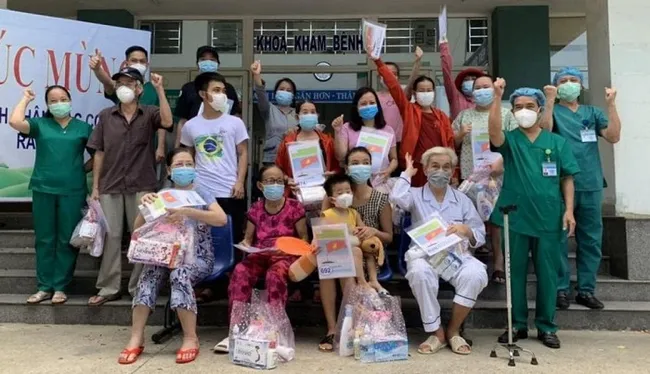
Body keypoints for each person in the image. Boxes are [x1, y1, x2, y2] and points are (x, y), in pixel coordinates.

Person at [488, 80, 580, 349]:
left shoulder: (557, 142)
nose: (524, 110)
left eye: (530, 106)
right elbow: (493, 132)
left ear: (540, 110)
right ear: (512, 112)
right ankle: (516, 325)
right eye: (518, 107)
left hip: (550, 217)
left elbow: (567, 178)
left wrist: (570, 211)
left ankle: (546, 326)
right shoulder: (511, 141)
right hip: (515, 217)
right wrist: (497, 97)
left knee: (548, 273)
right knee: (514, 272)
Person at [118, 148, 227, 365]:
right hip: (165, 254)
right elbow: (137, 228)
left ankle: (190, 338)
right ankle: (136, 337)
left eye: (189, 164)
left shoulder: (201, 193)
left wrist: (188, 211)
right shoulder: (163, 195)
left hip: (197, 257)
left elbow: (221, 219)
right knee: (148, 275)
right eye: (179, 165)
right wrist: (145, 207)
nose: (184, 169)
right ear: (169, 170)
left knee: (180, 274)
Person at [87, 67, 173, 305]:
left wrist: (160, 89)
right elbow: (99, 152)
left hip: (142, 184)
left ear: (139, 88)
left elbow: (167, 121)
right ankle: (108, 287)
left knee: (140, 236)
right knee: (112, 236)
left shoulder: (150, 113)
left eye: (129, 82)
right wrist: (95, 187)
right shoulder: (106, 116)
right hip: (110, 185)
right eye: (120, 83)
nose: (124, 87)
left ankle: (138, 287)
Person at [390, 147, 488, 355]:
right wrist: (407, 173)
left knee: (476, 273)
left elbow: (479, 233)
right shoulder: (415, 195)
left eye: (446, 167)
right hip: (424, 256)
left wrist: (466, 230)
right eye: (435, 166)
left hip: (456, 255)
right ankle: (437, 332)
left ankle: (453, 330)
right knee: (419, 273)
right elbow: (397, 197)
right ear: (425, 169)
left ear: (453, 171)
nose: (440, 171)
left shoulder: (462, 199)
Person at [542, 67, 621, 311]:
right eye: (562, 80)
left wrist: (611, 104)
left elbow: (613, 136)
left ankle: (586, 290)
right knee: (558, 238)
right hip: (558, 183)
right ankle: (560, 289)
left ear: (581, 85)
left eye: (573, 80)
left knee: (591, 239)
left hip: (590, 183)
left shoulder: (592, 112)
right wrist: (549, 100)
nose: (568, 84)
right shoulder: (552, 111)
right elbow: (544, 131)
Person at [9, 86, 94, 305]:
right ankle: (44, 287)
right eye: (54, 101)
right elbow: (16, 122)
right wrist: (26, 98)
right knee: (45, 238)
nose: (59, 103)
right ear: (48, 105)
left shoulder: (83, 128)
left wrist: (79, 169)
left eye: (63, 99)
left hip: (73, 190)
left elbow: (99, 155)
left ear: (71, 101)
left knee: (67, 239)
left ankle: (60, 287)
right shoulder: (41, 125)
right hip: (43, 188)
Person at [213, 165, 308, 353]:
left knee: (275, 275)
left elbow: (304, 239)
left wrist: (288, 249)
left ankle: (275, 329)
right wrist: (247, 246)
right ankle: (237, 329)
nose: (275, 185)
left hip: (285, 256)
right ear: (260, 185)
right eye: (270, 181)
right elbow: (248, 239)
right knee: (240, 272)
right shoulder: (256, 208)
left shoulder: (295, 207)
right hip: (260, 255)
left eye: (279, 181)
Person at [452, 74, 518, 284]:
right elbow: (451, 142)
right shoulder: (464, 115)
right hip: (471, 175)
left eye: (485, 86)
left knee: (496, 221)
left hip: (497, 177)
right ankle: (468, 262)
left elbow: (515, 143)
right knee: (469, 218)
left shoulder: (506, 114)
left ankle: (498, 263)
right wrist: (461, 134)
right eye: (477, 87)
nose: (481, 90)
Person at [368, 47, 456, 187]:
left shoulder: (442, 116)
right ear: (414, 94)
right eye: (421, 90)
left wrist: (454, 172)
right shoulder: (409, 110)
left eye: (429, 90)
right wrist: (378, 62)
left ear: (434, 92)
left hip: (439, 167)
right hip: (415, 167)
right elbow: (394, 86)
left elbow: (450, 144)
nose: (425, 93)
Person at [180, 72, 248, 244]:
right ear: (203, 94)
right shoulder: (190, 125)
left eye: (223, 91)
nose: (221, 95)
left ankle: (232, 272)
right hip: (201, 192)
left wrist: (240, 181)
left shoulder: (235, 122)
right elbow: (188, 156)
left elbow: (243, 153)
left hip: (230, 190)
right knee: (201, 239)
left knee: (232, 239)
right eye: (216, 90)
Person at [321, 147, 394, 293]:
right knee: (334, 268)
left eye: (365, 162)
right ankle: (340, 315)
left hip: (369, 256)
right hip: (338, 250)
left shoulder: (381, 199)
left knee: (349, 265)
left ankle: (355, 309)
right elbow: (323, 230)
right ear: (347, 168)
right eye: (355, 163)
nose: (361, 166)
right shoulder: (336, 195)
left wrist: (374, 231)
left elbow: (389, 237)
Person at [316, 173, 369, 352]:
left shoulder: (354, 213)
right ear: (331, 198)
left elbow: (362, 236)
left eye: (348, 191)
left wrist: (360, 232)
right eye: (340, 192)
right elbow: (320, 236)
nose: (345, 194)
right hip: (331, 255)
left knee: (348, 279)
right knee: (327, 276)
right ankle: (332, 328)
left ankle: (350, 328)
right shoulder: (327, 213)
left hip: (351, 258)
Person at [89, 46, 166, 168]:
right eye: (134, 60)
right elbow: (108, 82)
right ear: (126, 63)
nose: (138, 64)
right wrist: (98, 69)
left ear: (147, 64)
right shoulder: (121, 86)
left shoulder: (154, 88)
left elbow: (163, 121)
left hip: (146, 146)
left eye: (142, 61)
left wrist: (160, 147)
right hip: (121, 145)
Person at [175, 45, 242, 147]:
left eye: (212, 60)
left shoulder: (228, 89)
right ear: (197, 64)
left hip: (221, 141)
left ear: (218, 64)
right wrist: (178, 149)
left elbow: (235, 116)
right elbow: (182, 121)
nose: (208, 62)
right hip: (193, 141)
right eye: (203, 59)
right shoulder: (188, 88)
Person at [332, 87, 398, 186]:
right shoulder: (347, 128)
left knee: (379, 201)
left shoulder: (388, 130)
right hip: (356, 183)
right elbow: (341, 156)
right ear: (356, 108)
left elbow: (394, 159)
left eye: (372, 103)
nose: (368, 106)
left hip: (380, 182)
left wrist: (388, 170)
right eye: (363, 104)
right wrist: (337, 132)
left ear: (377, 106)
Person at [275, 100, 340, 194]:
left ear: (317, 116)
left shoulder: (327, 141)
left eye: (313, 112)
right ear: (297, 117)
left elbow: (339, 166)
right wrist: (287, 179)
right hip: (295, 194)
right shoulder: (288, 142)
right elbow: (278, 168)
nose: (309, 115)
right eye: (305, 112)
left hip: (323, 192)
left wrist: (333, 174)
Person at [250, 60, 299, 165]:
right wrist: (257, 75)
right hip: (272, 158)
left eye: (288, 90)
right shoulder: (268, 109)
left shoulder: (298, 114)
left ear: (293, 95)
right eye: (282, 89)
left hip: (295, 158)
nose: (285, 92)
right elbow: (260, 93)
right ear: (276, 92)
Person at [378, 46, 424, 146]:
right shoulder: (374, 97)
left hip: (400, 141)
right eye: (386, 73)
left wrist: (418, 61)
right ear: (379, 77)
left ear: (397, 77)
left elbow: (412, 81)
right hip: (380, 140)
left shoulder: (402, 95)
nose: (388, 76)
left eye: (392, 73)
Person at [439, 36, 484, 120]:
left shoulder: (484, 100)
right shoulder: (456, 97)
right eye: (466, 80)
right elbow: (447, 74)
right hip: (458, 133)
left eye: (473, 79)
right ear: (461, 84)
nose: (470, 82)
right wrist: (444, 48)